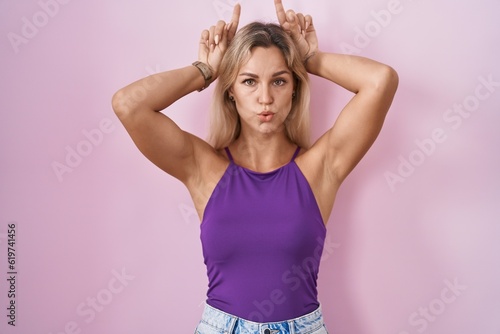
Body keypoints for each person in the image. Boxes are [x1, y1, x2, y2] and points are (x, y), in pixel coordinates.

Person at [112, 0, 398, 333]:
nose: (265, 98)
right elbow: (128, 105)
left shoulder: (321, 167)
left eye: (279, 81)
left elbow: (381, 81)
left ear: (294, 89)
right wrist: (205, 71)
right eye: (249, 81)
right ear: (230, 91)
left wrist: (309, 59)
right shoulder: (203, 167)